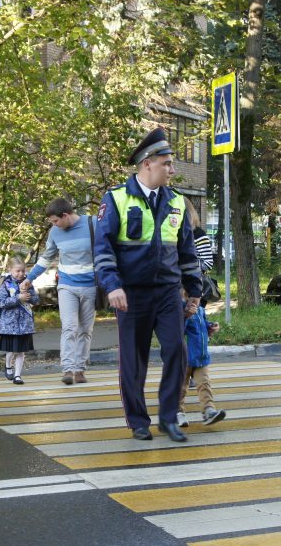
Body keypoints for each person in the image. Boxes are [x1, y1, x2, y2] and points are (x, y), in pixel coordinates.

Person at [94, 127, 203, 442]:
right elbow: (103, 249)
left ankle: (168, 418)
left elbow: (187, 253)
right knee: (134, 358)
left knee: (177, 352)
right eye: (167, 163)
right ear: (147, 164)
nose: (172, 169)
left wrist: (194, 291)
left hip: (168, 292)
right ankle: (138, 420)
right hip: (131, 293)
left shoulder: (178, 202)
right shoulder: (115, 199)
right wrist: (112, 285)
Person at [27, 198, 97, 385]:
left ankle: (80, 369)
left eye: (55, 221)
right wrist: (29, 278)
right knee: (69, 327)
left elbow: (109, 250)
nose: (54, 225)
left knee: (85, 329)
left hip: (91, 285)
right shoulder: (55, 232)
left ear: (65, 215)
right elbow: (46, 258)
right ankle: (67, 369)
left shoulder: (94, 224)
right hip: (67, 285)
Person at [176, 298, 226, 428]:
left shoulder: (201, 310)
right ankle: (178, 412)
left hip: (201, 356)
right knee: (181, 387)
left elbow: (202, 325)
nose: (198, 299)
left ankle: (208, 410)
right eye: (195, 295)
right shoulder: (179, 308)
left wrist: (210, 327)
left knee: (204, 384)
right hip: (185, 358)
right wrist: (185, 315)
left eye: (199, 295)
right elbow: (176, 330)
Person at [0, 256, 39, 385]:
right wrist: (17, 298)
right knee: (11, 351)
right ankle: (8, 365)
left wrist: (29, 293)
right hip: (10, 326)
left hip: (25, 325)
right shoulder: (5, 285)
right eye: (17, 271)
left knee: (21, 351)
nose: (20, 274)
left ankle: (17, 375)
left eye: (22, 271)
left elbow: (36, 301)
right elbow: (2, 303)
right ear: (10, 270)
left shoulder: (27, 283)